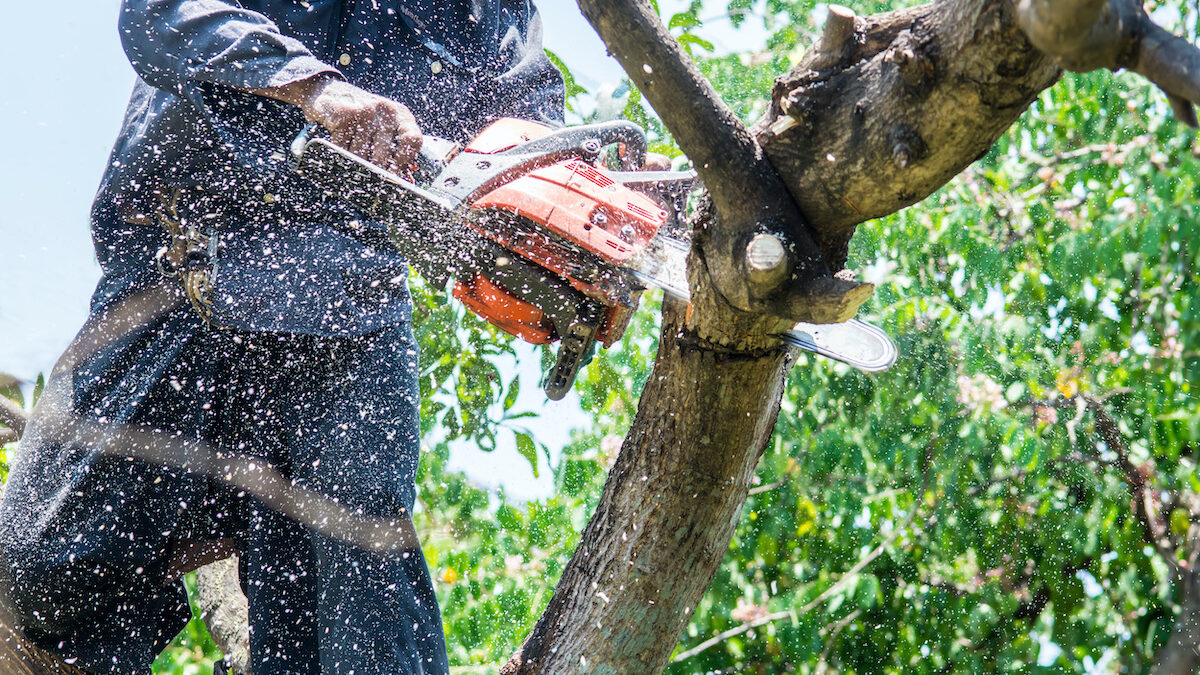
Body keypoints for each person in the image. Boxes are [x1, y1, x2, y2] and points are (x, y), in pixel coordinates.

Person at [0, 2, 564, 673]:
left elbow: (529, 129)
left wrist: (577, 216)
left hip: (347, 311)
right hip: (182, 272)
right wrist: (314, 87)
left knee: (354, 603)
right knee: (37, 571)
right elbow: (158, 14)